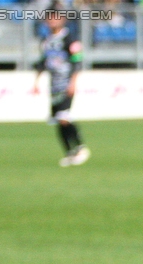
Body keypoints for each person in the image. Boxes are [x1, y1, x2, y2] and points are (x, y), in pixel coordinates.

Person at [32, 4, 90, 167]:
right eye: (49, 17)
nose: (51, 20)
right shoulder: (46, 41)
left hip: (65, 83)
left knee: (64, 116)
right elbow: (43, 62)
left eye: (55, 17)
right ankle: (69, 152)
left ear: (62, 19)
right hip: (54, 85)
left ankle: (80, 147)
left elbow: (77, 61)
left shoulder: (69, 39)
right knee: (57, 119)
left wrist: (73, 82)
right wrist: (36, 81)